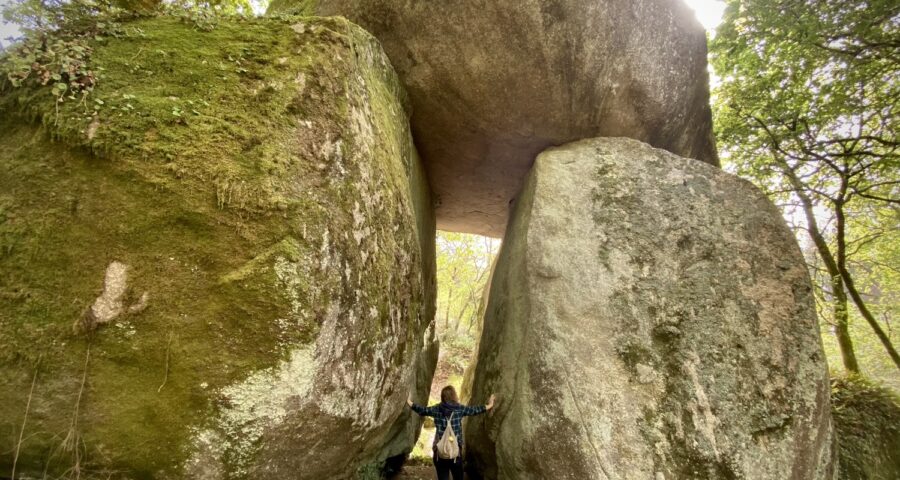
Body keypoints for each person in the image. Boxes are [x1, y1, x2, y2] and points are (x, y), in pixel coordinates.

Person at [407, 386, 495, 480]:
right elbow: (474, 410)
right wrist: (489, 405)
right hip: (455, 453)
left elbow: (422, 410)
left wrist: (409, 402)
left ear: (442, 397)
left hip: (440, 453)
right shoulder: (459, 409)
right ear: (454, 396)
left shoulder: (437, 409)